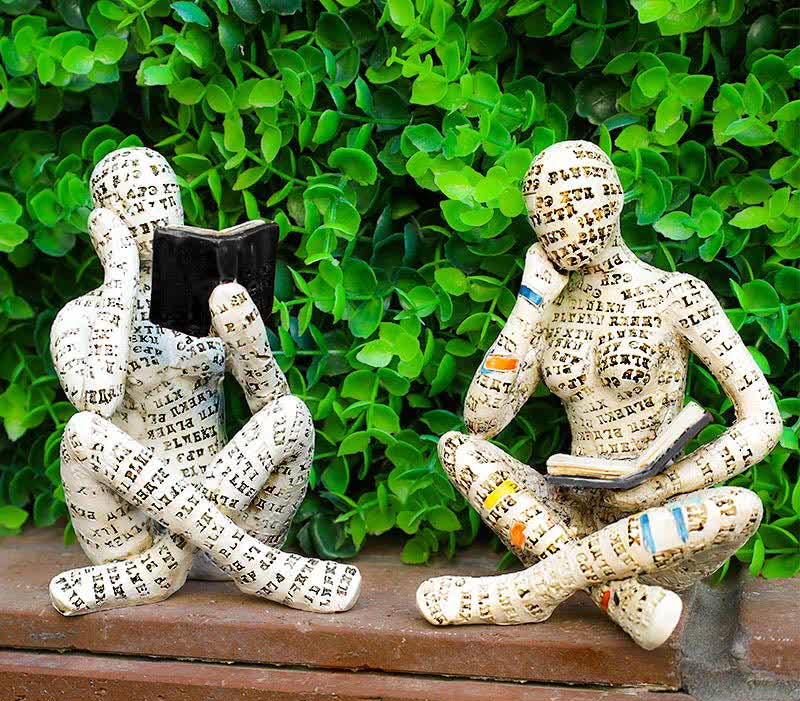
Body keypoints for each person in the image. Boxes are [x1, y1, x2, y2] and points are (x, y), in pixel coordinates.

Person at [416, 140, 782, 649]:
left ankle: (528, 590)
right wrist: (529, 303)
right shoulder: (551, 307)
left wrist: (664, 485)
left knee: (741, 507)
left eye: (574, 206)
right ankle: (616, 595)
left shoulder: (676, 295)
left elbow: (763, 420)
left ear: (614, 200)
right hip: (567, 513)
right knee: (460, 449)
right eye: (543, 217)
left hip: (654, 521)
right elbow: (482, 421)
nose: (560, 228)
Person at [49, 147, 361, 616]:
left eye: (166, 197)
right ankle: (255, 567)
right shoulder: (81, 316)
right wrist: (120, 274)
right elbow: (97, 400)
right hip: (129, 535)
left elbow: (269, 405)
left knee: (292, 414)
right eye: (139, 201)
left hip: (231, 509)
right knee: (81, 431)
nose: (157, 212)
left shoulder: (206, 302)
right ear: (104, 223)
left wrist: (249, 341)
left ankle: (162, 569)